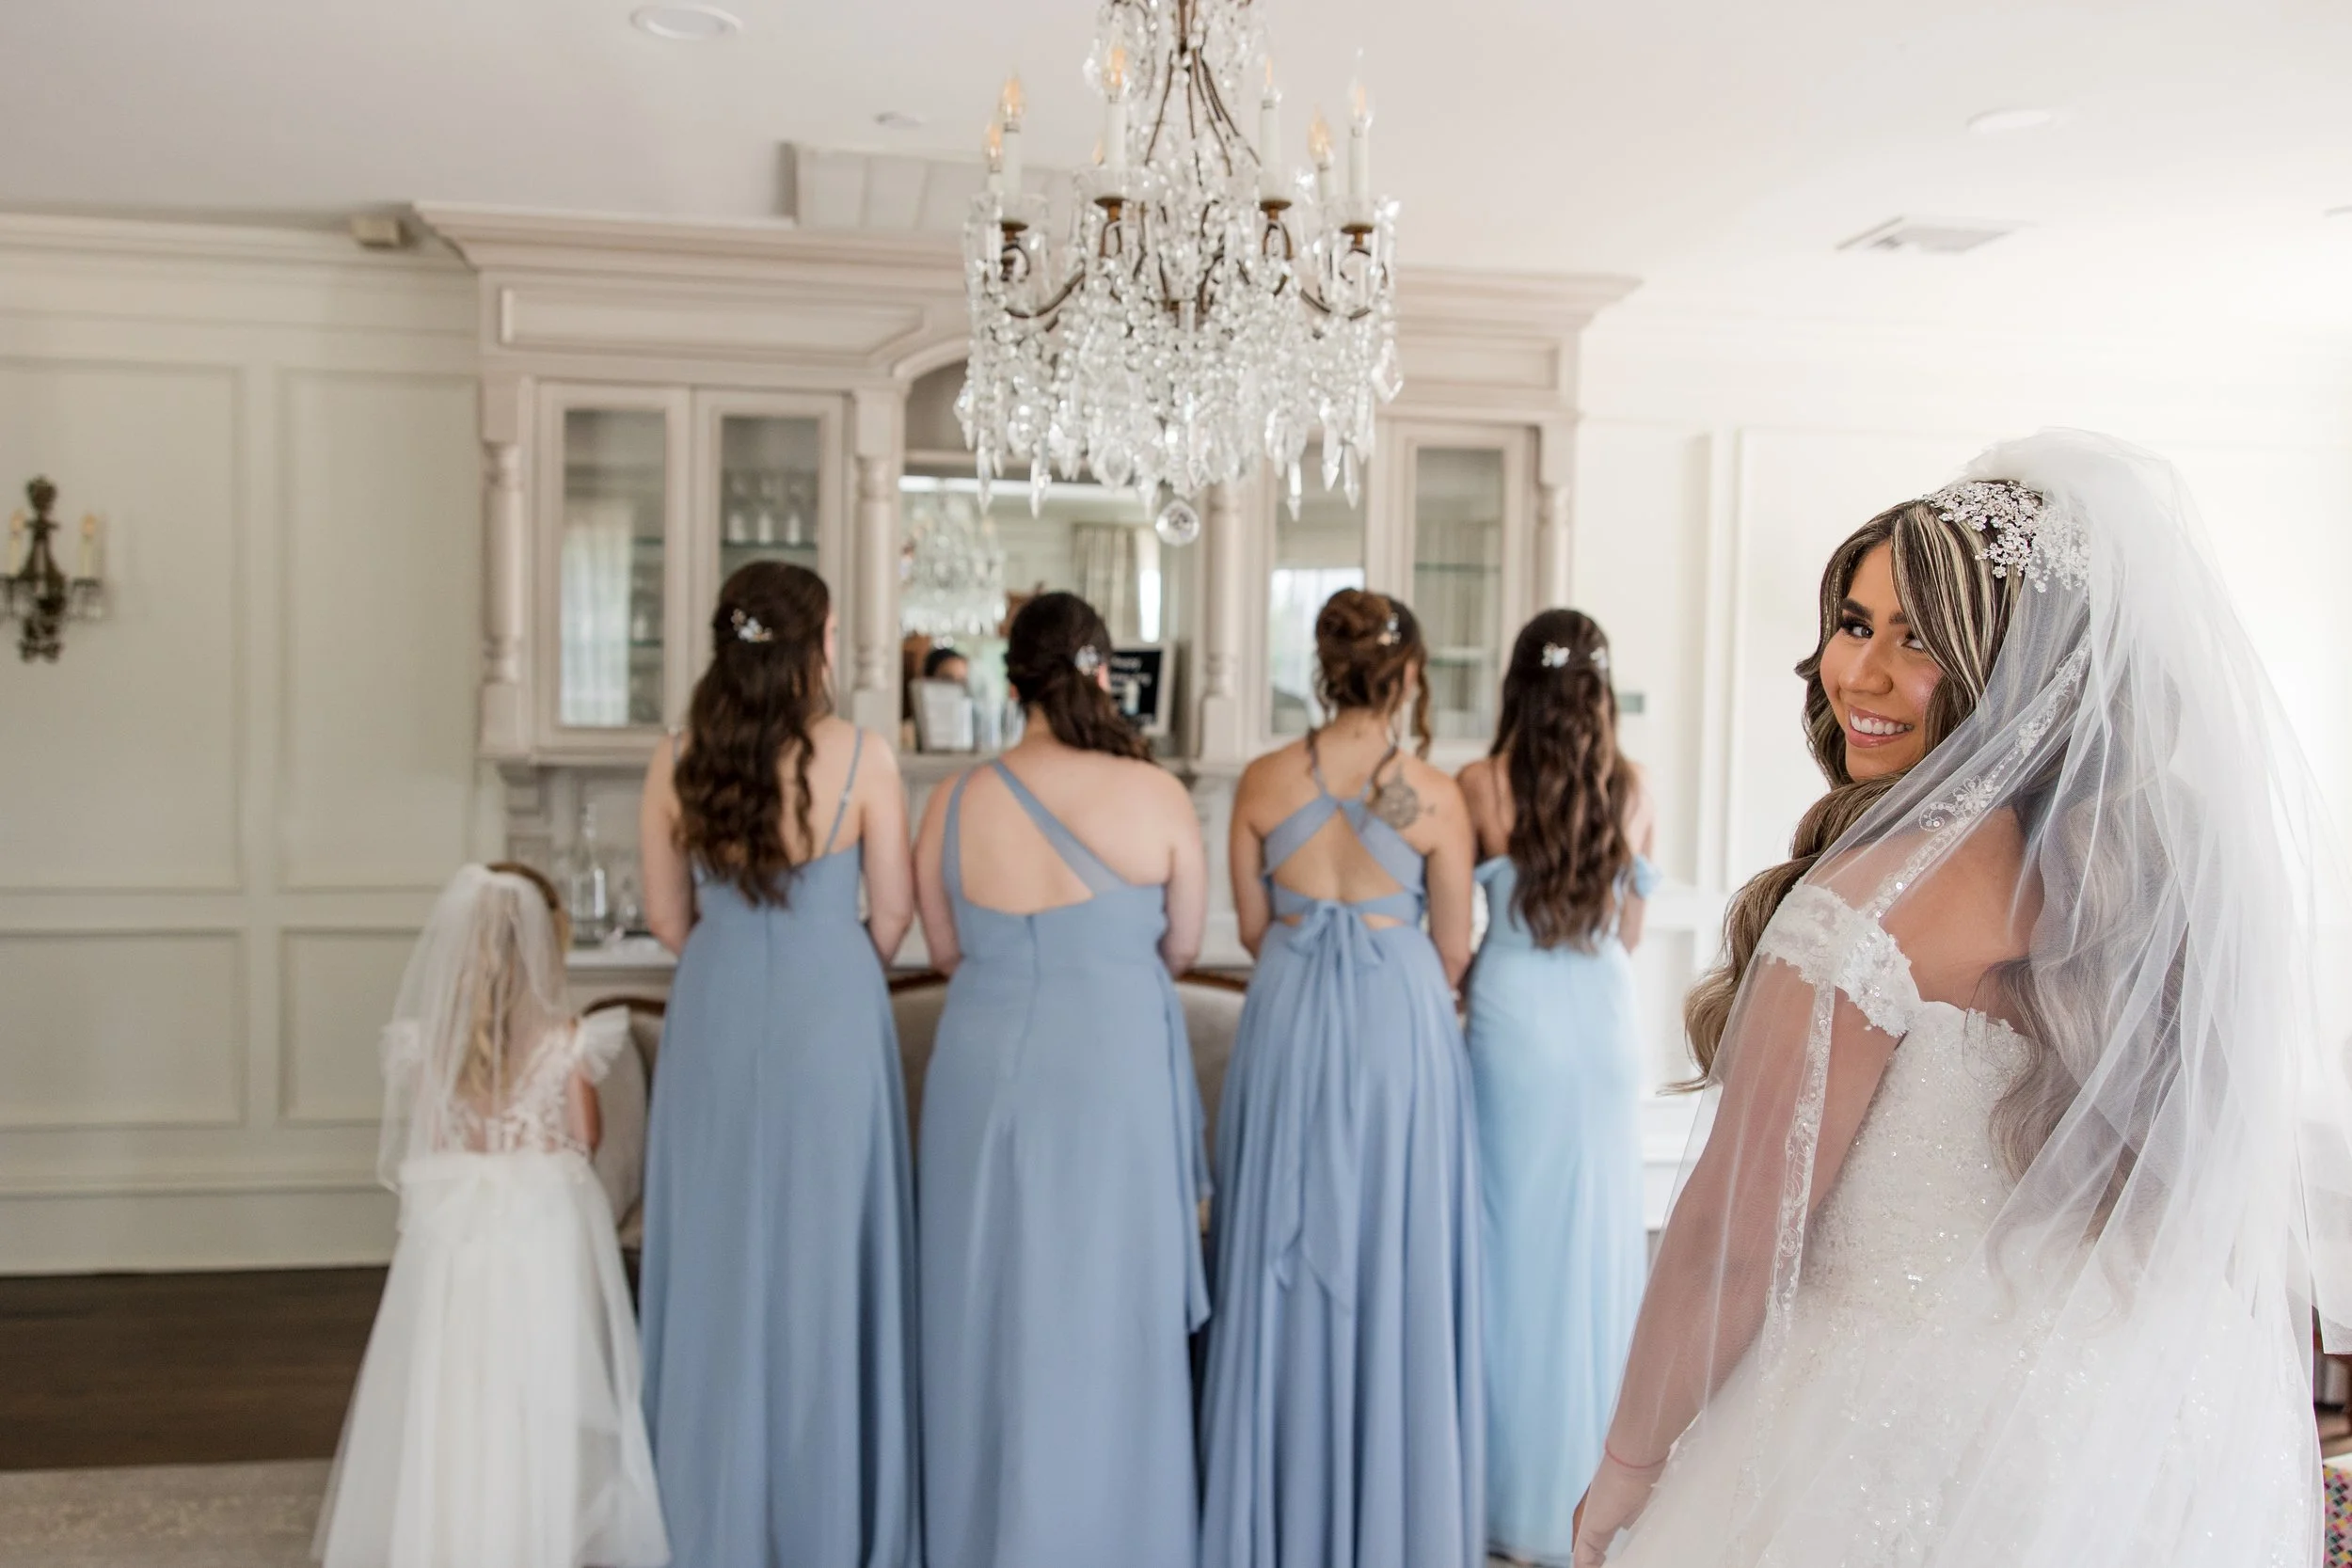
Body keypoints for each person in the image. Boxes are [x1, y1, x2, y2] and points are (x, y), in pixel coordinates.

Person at [1574, 432, 2352, 1567]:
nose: (1862, 674)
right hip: (2139, 1438)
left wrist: (1626, 1475)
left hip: (1878, 1442)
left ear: (2013, 667)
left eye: (1920, 639)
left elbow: (1731, 1241)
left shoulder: (1871, 899)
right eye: (1854, 622)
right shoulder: (2168, 888)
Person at [910, 591, 1209, 1568]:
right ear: (1101, 674)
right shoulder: (1156, 796)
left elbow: (944, 948)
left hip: (986, 1060)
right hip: (1114, 1062)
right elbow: (1183, 943)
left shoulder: (953, 799)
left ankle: (982, 1533)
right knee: (1111, 1299)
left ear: (1010, 676)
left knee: (982, 1297)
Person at [635, 562, 919, 1568]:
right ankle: (826, 1511)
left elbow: (669, 916)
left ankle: (704, 1510)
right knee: (825, 1248)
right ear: (813, 647)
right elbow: (892, 912)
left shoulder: (675, 757)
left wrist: (739, 969)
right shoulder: (863, 755)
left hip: (714, 1007)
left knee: (716, 1251)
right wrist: (827, 971)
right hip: (830, 1008)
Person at [1199, 588, 1486, 1568]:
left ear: (1323, 669)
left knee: (1279, 1232)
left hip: (1286, 1014)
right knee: (1390, 1242)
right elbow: (1451, 945)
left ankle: (1281, 1504)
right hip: (1394, 1024)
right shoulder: (1427, 794)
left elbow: (1246, 925)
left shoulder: (1266, 778)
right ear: (1407, 675)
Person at [315, 863, 668, 1568]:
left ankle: (445, 1528)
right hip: (538, 1230)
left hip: (458, 1237)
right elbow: (585, 1136)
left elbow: (433, 1139)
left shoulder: (429, 1046)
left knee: (456, 1381)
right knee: (542, 1378)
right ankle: (537, 1527)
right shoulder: (565, 1040)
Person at [1458, 610, 1658, 1566]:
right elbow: (1629, 935)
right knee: (1596, 1248)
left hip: (1513, 1023)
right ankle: (1590, 1497)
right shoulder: (1632, 785)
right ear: (1601, 688)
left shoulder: (1481, 782)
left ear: (1517, 683)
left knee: (1509, 1250)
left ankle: (1502, 1493)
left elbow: (1449, 934)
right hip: (1602, 1023)